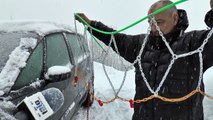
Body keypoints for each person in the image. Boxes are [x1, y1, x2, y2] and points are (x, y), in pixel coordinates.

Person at [76, 0, 213, 120]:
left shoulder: (194, 44)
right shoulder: (141, 45)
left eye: (159, 22)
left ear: (175, 18)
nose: (154, 28)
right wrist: (90, 24)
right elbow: (116, 39)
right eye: (150, 23)